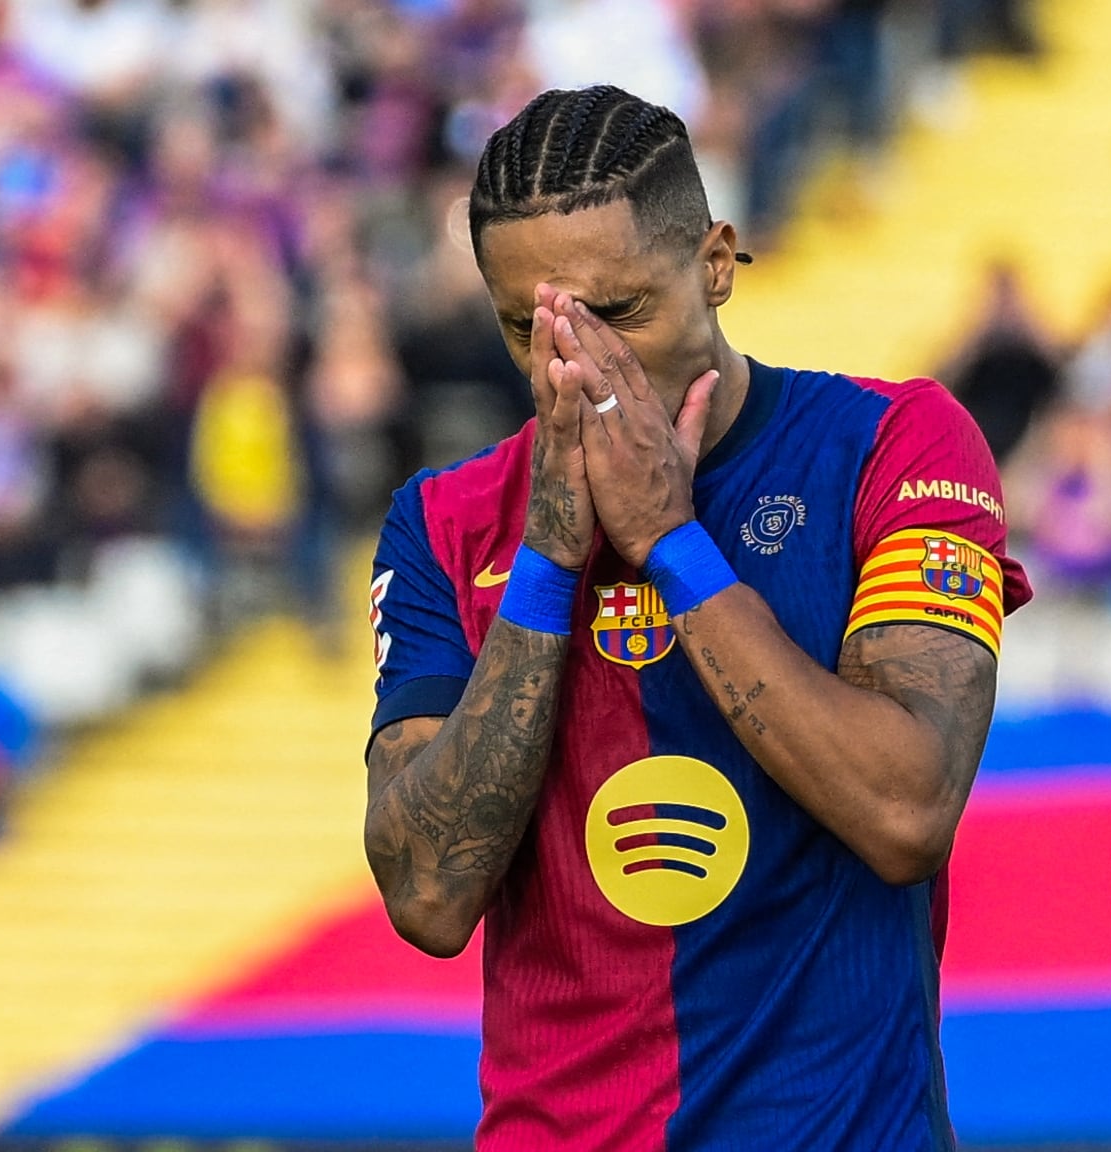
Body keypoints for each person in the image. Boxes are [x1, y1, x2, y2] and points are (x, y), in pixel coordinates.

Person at [362, 86, 1031, 1151]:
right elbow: (428, 898)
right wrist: (546, 559)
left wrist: (671, 542)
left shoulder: (890, 446)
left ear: (716, 263)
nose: (573, 370)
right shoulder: (443, 521)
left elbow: (907, 812)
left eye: (618, 314)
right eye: (524, 329)